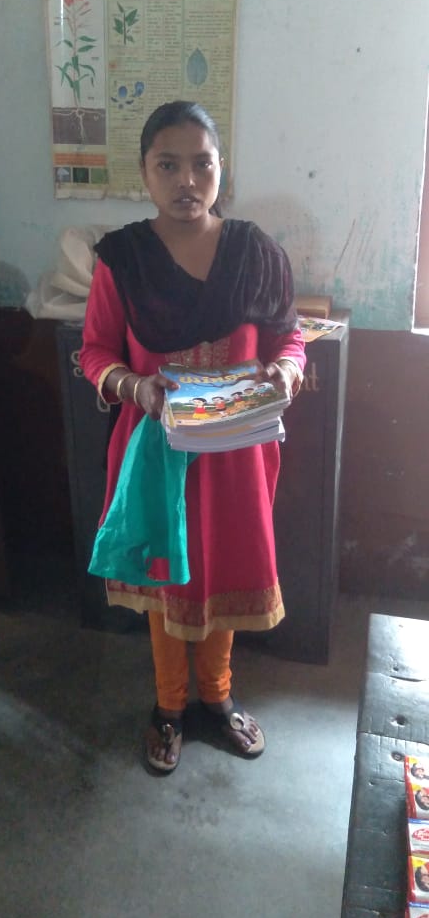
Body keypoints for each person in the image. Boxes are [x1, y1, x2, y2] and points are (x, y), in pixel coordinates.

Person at [80, 100, 306, 774]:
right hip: (157, 450)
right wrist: (136, 387)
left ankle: (217, 695)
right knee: (167, 579)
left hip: (238, 452)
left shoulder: (256, 253)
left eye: (202, 164)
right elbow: (95, 351)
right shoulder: (122, 259)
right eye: (168, 165)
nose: (186, 181)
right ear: (144, 173)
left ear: (220, 170)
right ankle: (169, 706)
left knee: (225, 570)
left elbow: (289, 338)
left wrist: (287, 370)